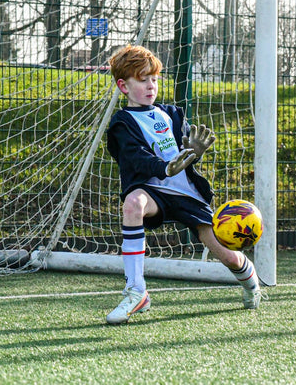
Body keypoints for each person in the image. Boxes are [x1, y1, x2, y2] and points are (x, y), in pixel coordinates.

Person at [106, 44, 263, 324]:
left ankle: (250, 279)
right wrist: (164, 167)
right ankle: (136, 291)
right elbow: (135, 159)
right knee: (133, 204)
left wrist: (193, 153)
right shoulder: (122, 123)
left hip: (186, 195)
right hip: (153, 191)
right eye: (142, 79)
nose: (151, 85)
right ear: (123, 86)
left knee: (226, 256)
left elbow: (186, 151)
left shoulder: (172, 114)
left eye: (154, 78)